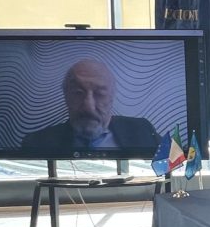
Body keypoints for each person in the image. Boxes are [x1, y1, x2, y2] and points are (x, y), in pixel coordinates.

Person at [19, 58, 160, 155]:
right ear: (66, 96)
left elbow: (167, 167)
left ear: (112, 96)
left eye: (100, 94)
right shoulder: (37, 143)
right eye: (78, 93)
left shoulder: (143, 130)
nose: (88, 107)